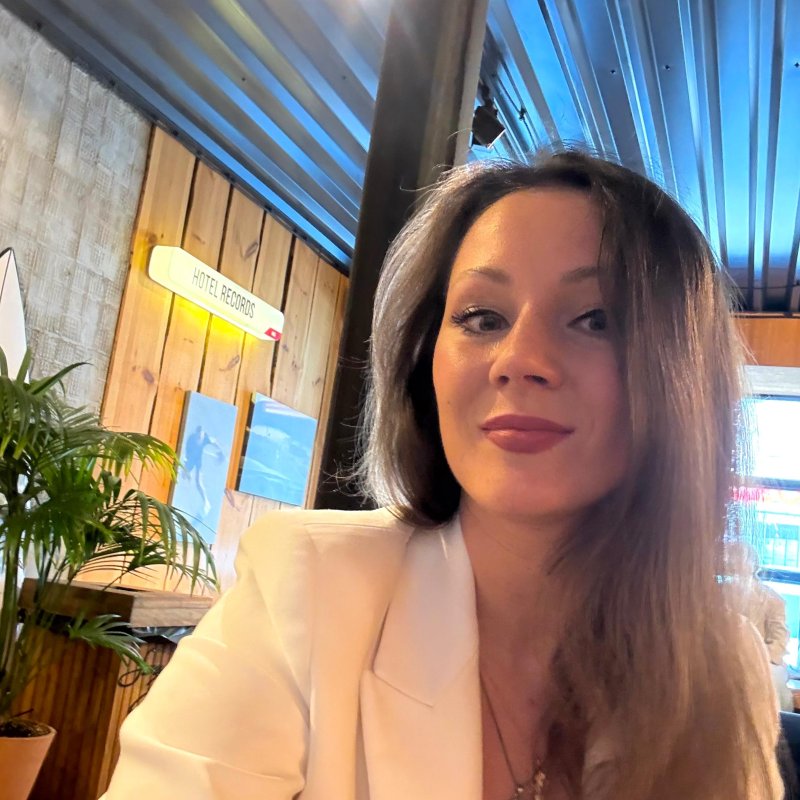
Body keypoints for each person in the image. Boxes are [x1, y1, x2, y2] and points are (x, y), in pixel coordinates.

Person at [102, 151, 782, 799]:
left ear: (681, 377)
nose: (519, 359)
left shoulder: (723, 672)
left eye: (595, 319)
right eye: (482, 318)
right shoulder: (306, 591)